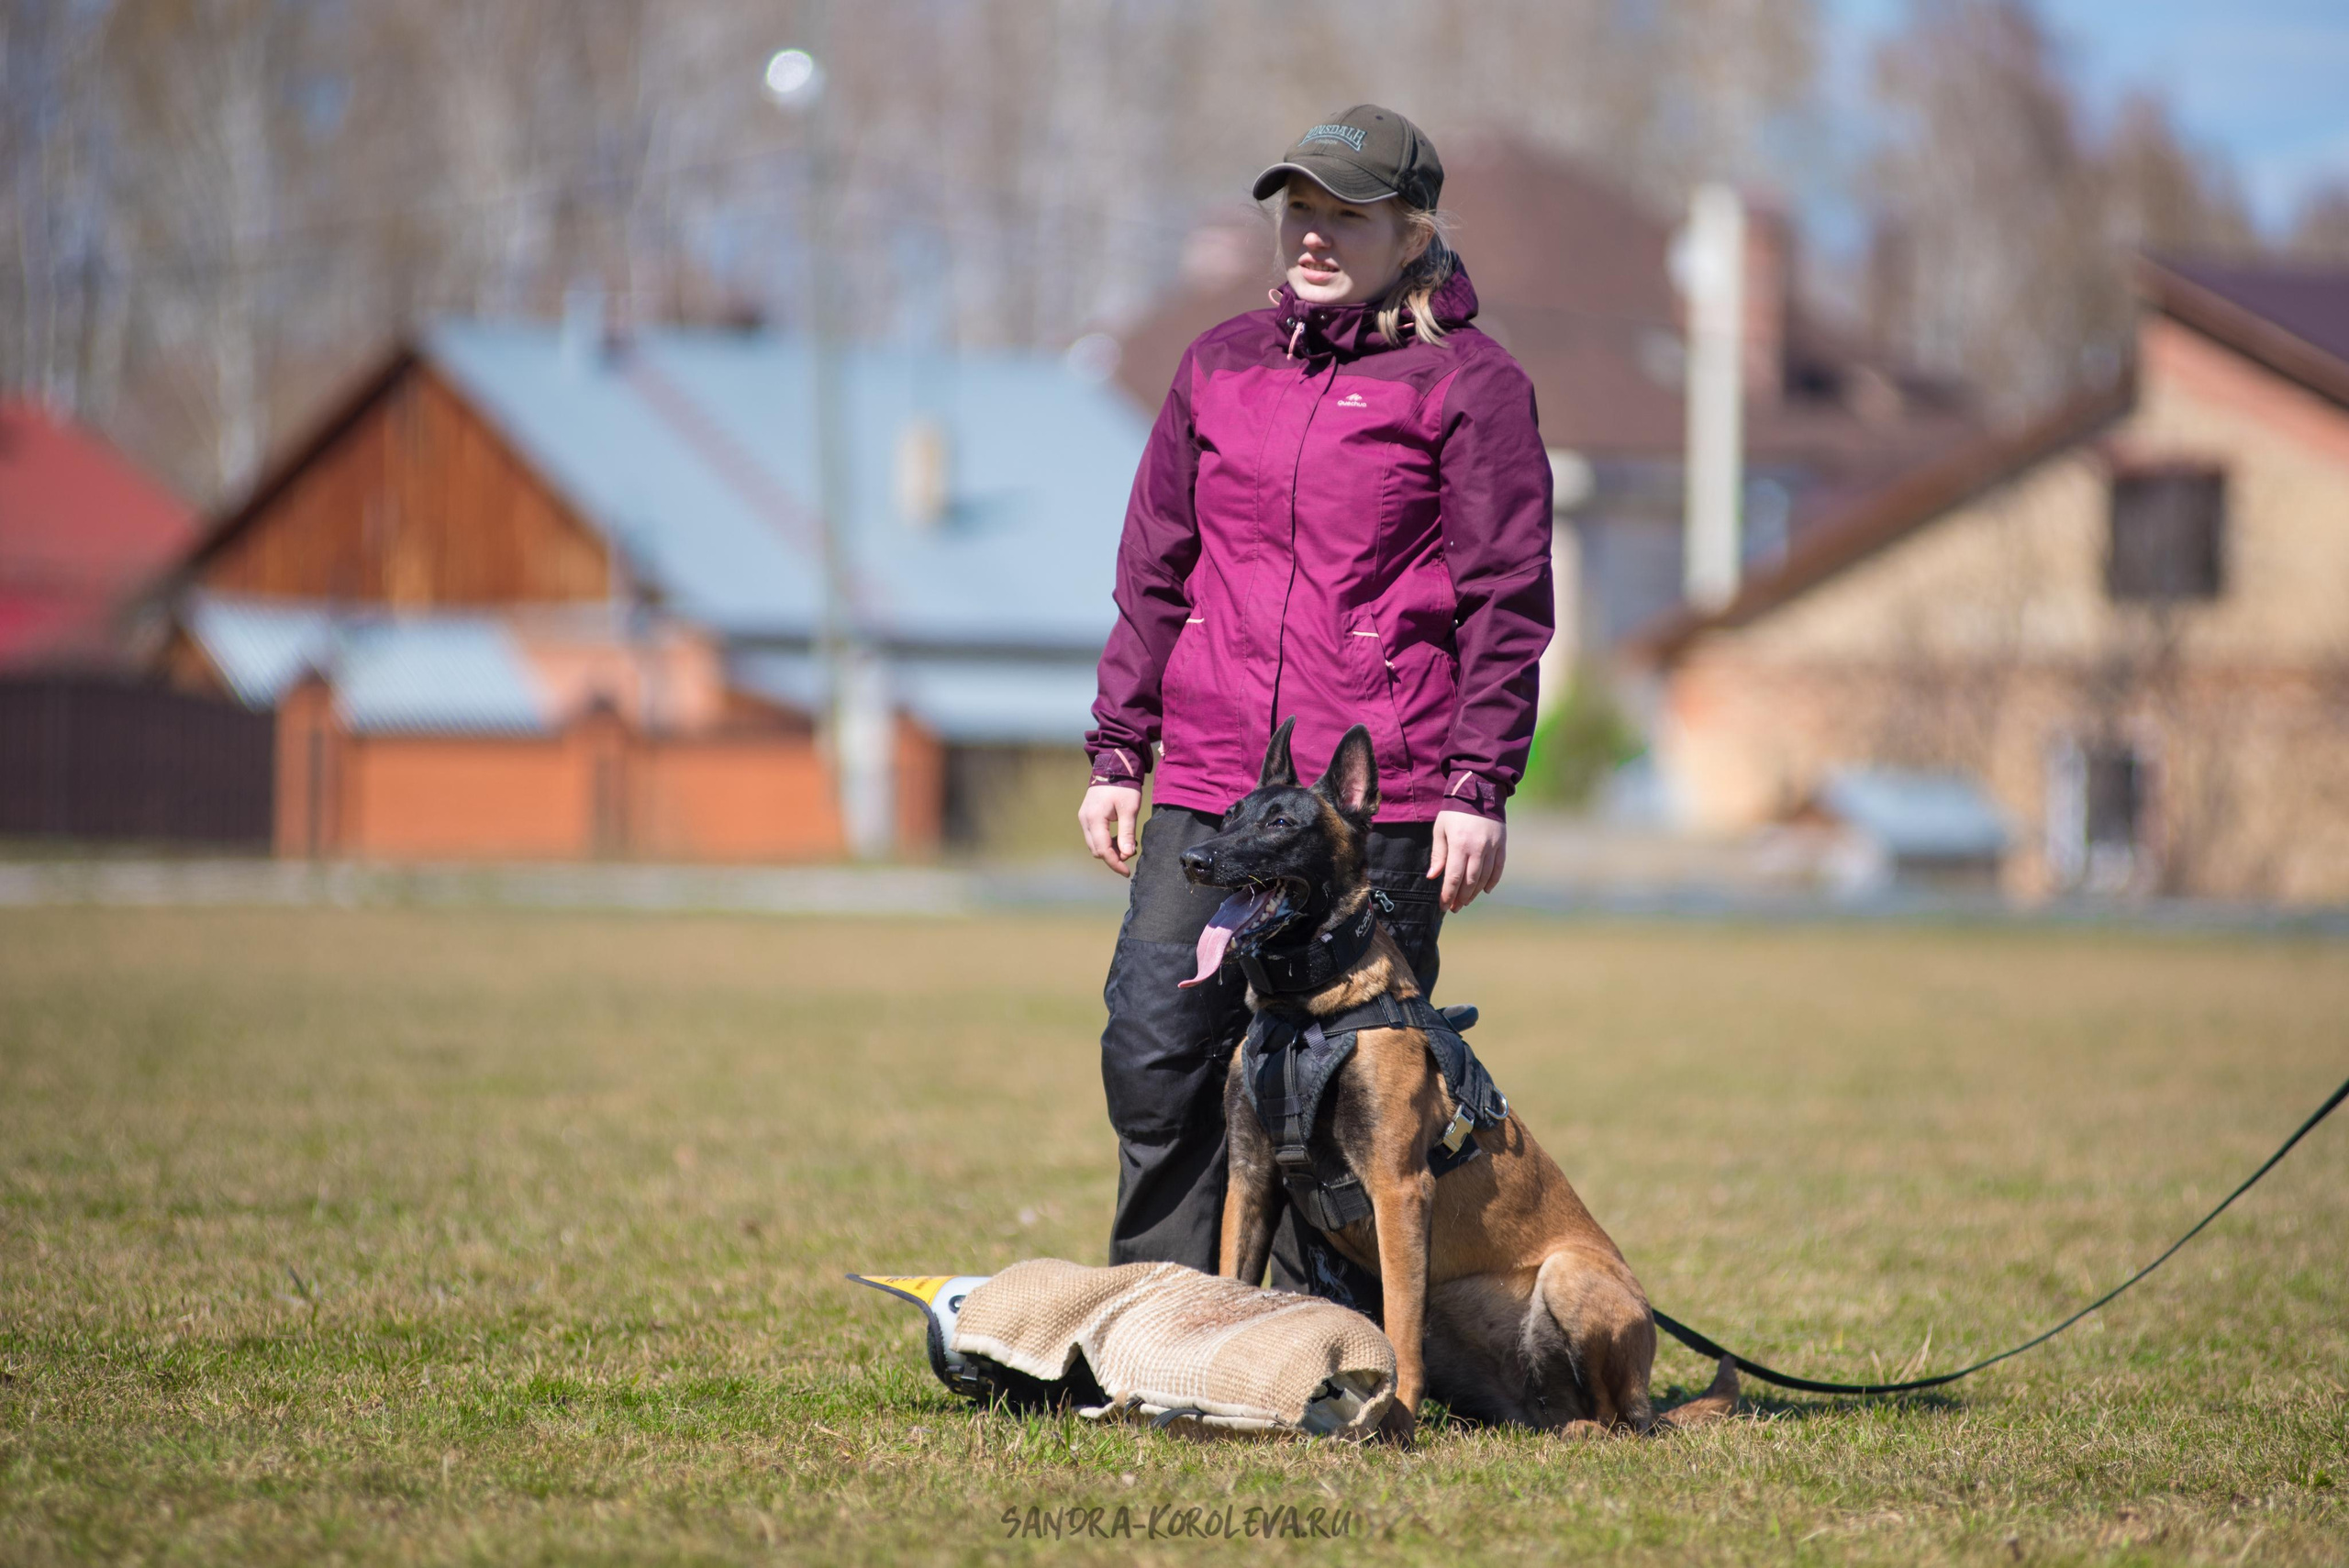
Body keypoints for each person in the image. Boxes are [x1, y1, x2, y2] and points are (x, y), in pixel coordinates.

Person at [1079, 106, 1554, 1303]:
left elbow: (1506, 596)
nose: (1313, 233)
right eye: (1298, 208)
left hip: (1371, 797)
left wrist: (1476, 783)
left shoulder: (1472, 385)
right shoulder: (1219, 365)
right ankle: (1160, 1322)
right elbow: (1152, 568)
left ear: (1411, 228)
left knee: (1339, 1082)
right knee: (1156, 1048)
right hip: (1212, 777)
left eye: (1345, 212)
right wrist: (1119, 746)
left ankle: (1319, 1352)